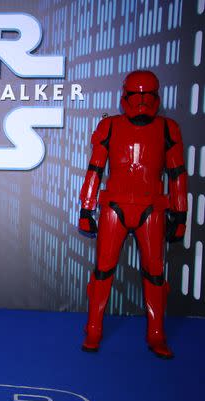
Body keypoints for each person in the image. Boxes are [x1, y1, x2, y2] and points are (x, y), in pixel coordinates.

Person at [78, 70, 187, 359]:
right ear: (125, 96)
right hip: (115, 206)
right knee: (103, 271)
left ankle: (156, 333)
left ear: (156, 97)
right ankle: (94, 328)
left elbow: (177, 174)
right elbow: (96, 169)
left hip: (151, 208)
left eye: (147, 96)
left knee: (154, 274)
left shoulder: (167, 128)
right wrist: (86, 207)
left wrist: (180, 213)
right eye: (136, 95)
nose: (141, 102)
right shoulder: (110, 126)